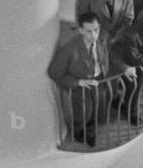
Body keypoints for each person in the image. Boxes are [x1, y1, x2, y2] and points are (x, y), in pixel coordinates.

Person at [47, 12, 110, 144]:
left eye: (96, 30)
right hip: (80, 83)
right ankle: (78, 130)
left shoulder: (102, 38)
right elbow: (53, 72)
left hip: (97, 78)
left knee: (98, 106)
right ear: (80, 30)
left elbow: (104, 56)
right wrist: (78, 82)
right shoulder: (70, 49)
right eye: (88, 31)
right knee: (84, 111)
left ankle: (91, 131)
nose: (93, 35)